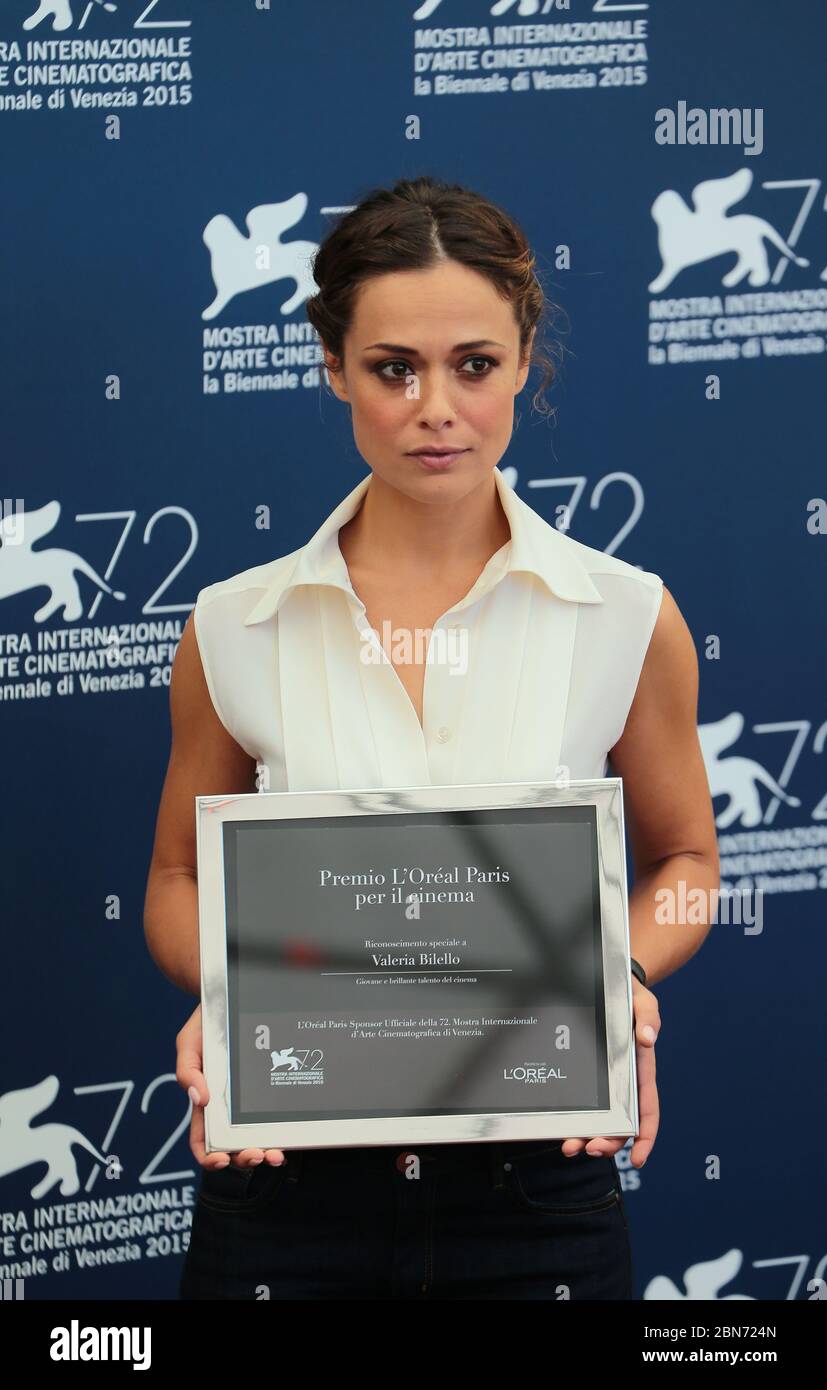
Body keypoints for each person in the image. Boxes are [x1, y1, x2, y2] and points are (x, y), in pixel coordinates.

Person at [143, 175, 719, 1300]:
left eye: (472, 364)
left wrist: (620, 972)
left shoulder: (624, 613)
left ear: (520, 359)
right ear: (333, 368)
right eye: (392, 369)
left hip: (538, 1193)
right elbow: (173, 876)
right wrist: (233, 996)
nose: (434, 408)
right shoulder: (231, 621)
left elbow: (690, 867)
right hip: (288, 1182)